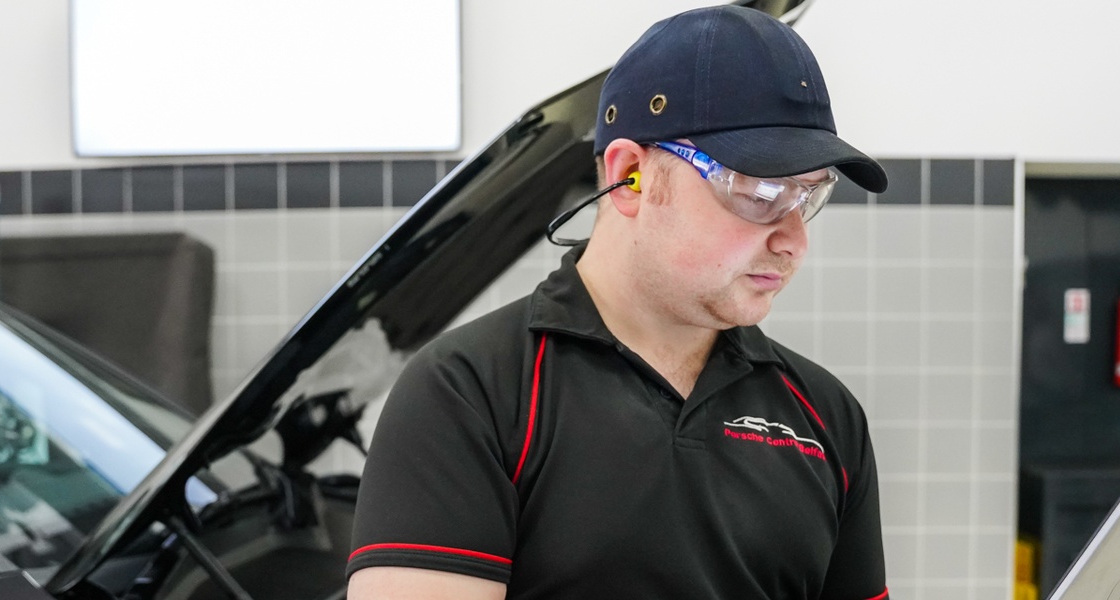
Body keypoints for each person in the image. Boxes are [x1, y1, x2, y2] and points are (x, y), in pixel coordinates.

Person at [346, 6, 892, 599]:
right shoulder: (470, 393)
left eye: (809, 195)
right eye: (760, 191)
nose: (794, 240)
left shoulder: (826, 419)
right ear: (631, 174)